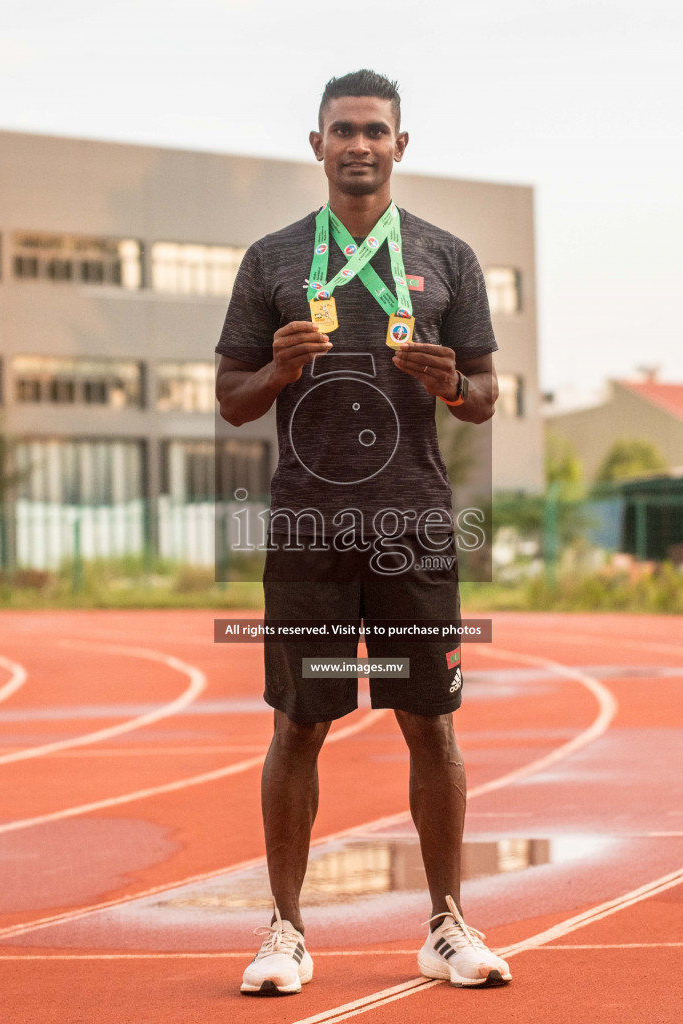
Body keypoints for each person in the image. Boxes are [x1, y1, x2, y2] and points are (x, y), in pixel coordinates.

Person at [215, 69, 510, 995]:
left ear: (400, 145)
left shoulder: (448, 258)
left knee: (432, 723)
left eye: (375, 130)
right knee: (300, 724)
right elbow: (229, 401)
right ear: (316, 145)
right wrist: (274, 369)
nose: (359, 144)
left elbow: (487, 398)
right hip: (308, 529)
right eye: (342, 129)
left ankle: (448, 926)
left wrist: (451, 384)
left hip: (413, 527)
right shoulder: (270, 260)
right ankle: (286, 931)